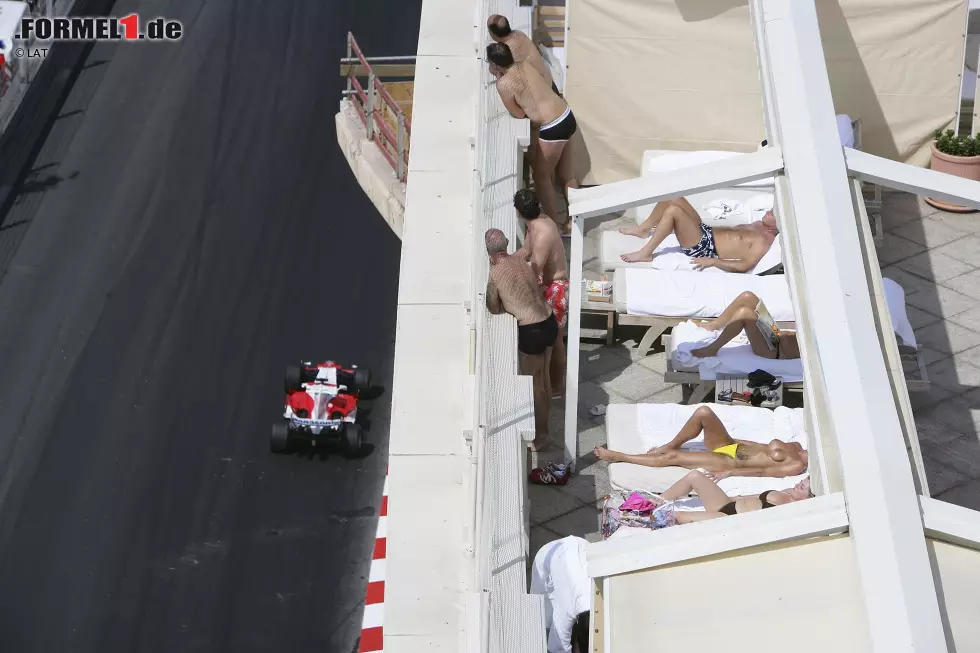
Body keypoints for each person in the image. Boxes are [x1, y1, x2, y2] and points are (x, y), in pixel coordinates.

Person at [488, 42, 579, 234]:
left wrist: (500, 79)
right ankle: (573, 222)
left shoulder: (503, 84)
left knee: (540, 176)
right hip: (566, 113)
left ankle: (554, 228)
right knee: (567, 175)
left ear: (494, 65)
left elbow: (519, 115)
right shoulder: (525, 65)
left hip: (553, 127)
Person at [485, 228, 557, 451]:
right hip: (549, 319)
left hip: (532, 329)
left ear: (489, 253)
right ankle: (546, 428)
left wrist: (491, 279)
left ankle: (543, 435)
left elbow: (493, 306)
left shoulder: (496, 272)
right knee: (543, 379)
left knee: (536, 387)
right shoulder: (519, 259)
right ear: (506, 245)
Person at [593, 405, 808, 478]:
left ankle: (618, 456)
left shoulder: (798, 465)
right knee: (703, 412)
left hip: (729, 461)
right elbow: (759, 446)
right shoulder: (798, 445)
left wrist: (730, 473)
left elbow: (763, 472)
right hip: (732, 446)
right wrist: (731, 439)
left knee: (673, 458)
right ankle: (672, 442)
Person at [618, 197, 779, 271]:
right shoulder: (759, 224)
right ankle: (643, 229)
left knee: (673, 211)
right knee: (673, 198)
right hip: (706, 231)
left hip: (703, 246)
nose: (767, 212)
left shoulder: (763, 241)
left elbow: (744, 265)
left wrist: (713, 261)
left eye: (772, 214)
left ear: (778, 225)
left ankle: (645, 253)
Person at [514, 188, 567, 397]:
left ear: (517, 212)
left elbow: (535, 270)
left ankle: (558, 386)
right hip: (547, 285)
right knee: (552, 342)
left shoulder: (543, 232)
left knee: (556, 341)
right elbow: (525, 251)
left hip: (556, 288)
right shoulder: (533, 224)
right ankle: (553, 382)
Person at [657, 470, 813, 525]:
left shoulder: (794, 510)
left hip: (728, 519)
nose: (800, 484)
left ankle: (644, 519)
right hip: (728, 504)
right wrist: (729, 497)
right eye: (802, 481)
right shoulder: (787, 491)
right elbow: (756, 496)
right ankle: (657, 501)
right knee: (695, 476)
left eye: (805, 487)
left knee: (676, 517)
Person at [689, 291, 800, 360]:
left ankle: (712, 349)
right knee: (747, 297)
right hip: (776, 333)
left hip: (774, 350)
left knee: (744, 313)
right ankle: (714, 325)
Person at [530, 535, 591, 653]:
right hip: (546, 559)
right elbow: (558, 647)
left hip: (580, 548)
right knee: (544, 624)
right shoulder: (568, 609)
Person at [487, 14, 558, 94]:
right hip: (551, 85)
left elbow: (495, 71)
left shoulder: (506, 50)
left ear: (493, 34)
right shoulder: (518, 34)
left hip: (542, 96)